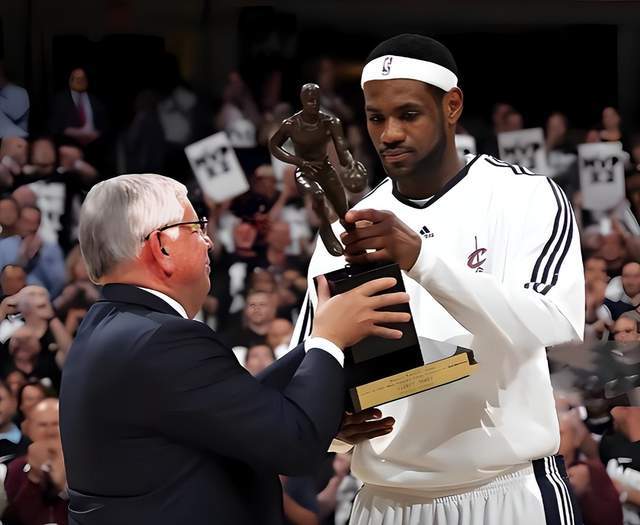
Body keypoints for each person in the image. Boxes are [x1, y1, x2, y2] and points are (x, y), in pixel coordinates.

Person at [291, 34, 585, 525]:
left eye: (408, 115)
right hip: (386, 497)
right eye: (376, 118)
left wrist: (421, 258)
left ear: (452, 106)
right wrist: (335, 426)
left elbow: (555, 321)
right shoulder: (349, 228)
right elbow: (312, 361)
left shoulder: (526, 196)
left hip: (505, 489)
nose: (389, 134)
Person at [59, 173, 411, 525]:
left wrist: (314, 362)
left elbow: (223, 410)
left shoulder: (106, 327)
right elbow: (295, 446)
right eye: (195, 228)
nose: (209, 241)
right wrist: (329, 340)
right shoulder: (163, 339)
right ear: (161, 246)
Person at [269, 83, 363, 256]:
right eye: (309, 100)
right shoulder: (291, 124)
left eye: (317, 100)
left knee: (344, 211)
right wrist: (297, 161)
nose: (314, 103)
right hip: (305, 172)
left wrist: (351, 164)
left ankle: (357, 246)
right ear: (302, 100)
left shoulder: (331, 122)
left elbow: (342, 151)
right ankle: (326, 230)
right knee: (318, 194)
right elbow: (274, 146)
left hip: (326, 169)